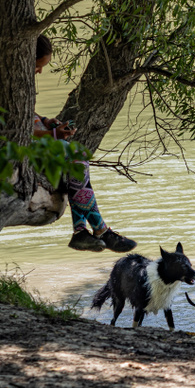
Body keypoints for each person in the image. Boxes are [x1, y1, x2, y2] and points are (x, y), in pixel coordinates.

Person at [34, 35, 137, 253]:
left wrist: (45, 121)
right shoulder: (13, 79)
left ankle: (83, 232)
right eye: (38, 66)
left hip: (42, 142)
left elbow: (25, 113)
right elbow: (15, 129)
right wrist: (52, 135)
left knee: (77, 162)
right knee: (77, 161)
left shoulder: (21, 81)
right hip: (27, 149)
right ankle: (98, 230)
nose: (40, 71)